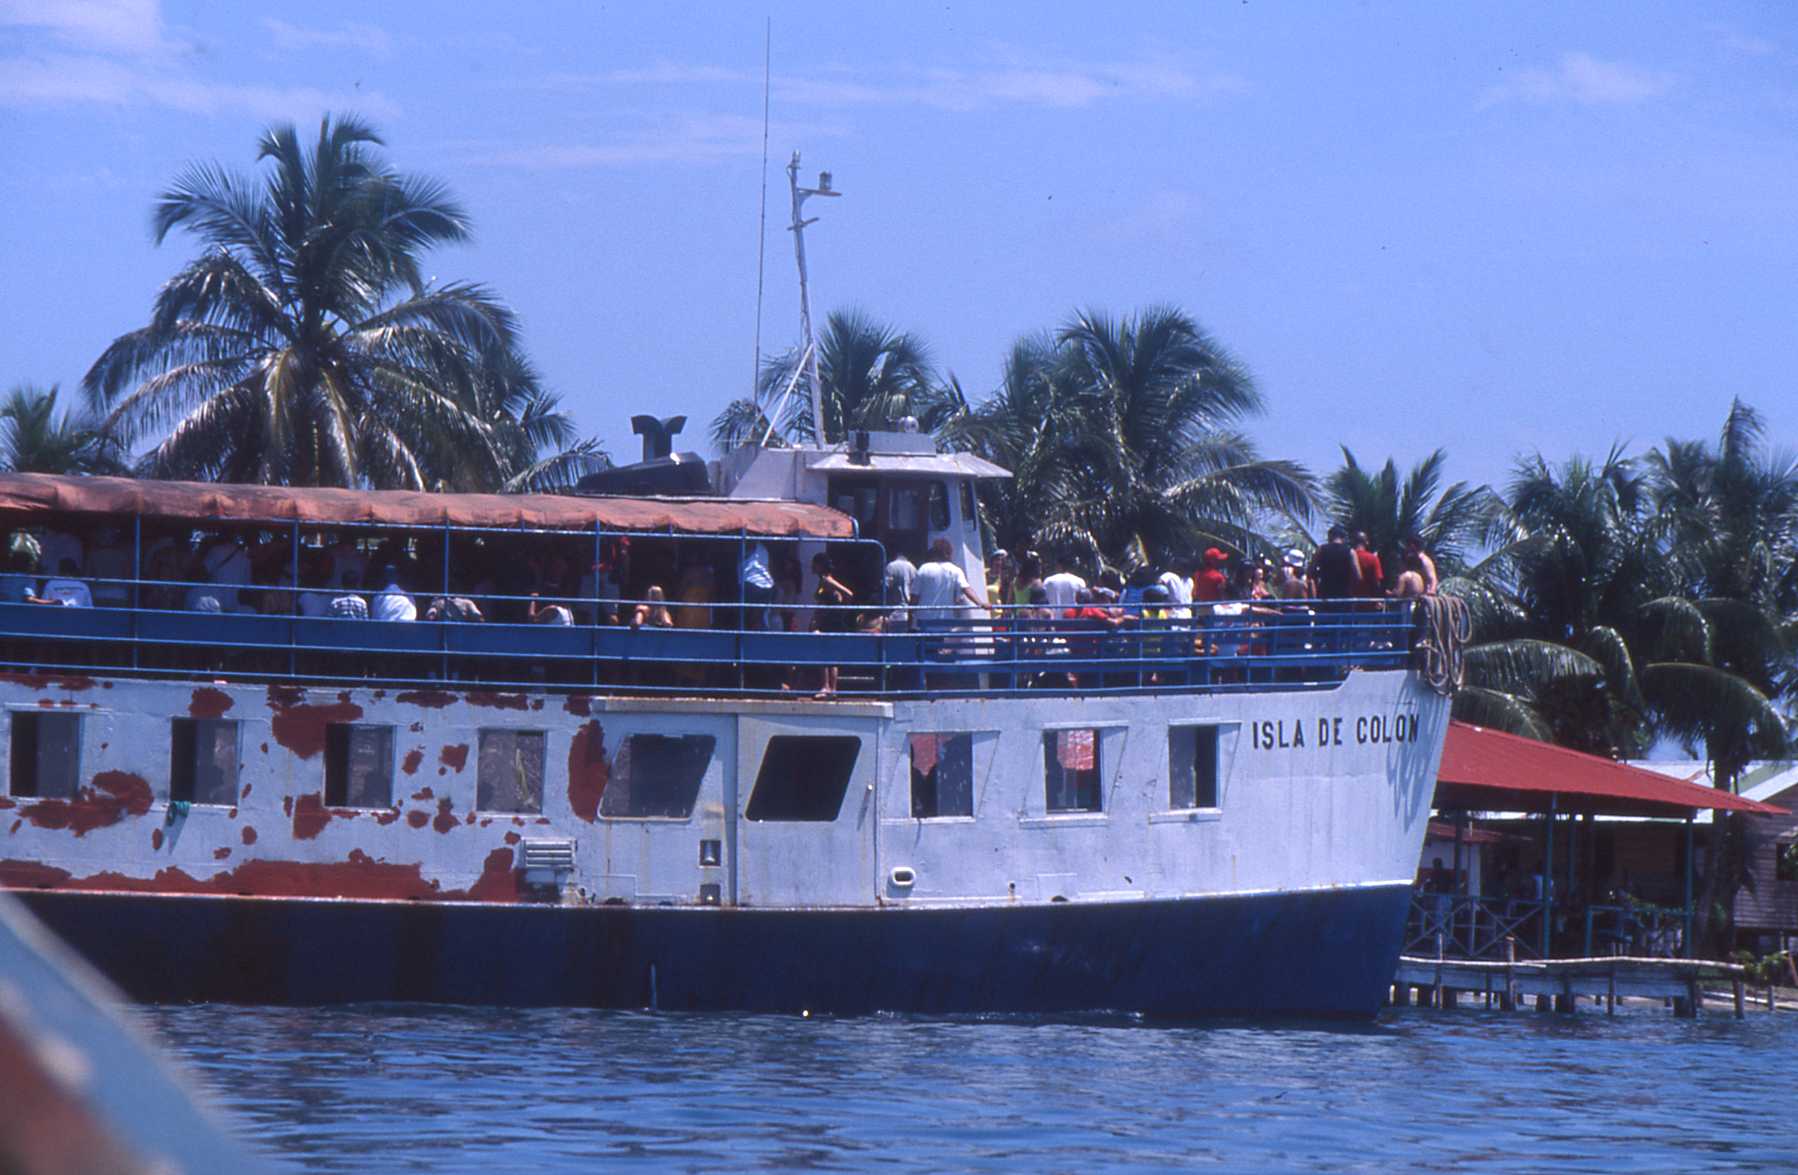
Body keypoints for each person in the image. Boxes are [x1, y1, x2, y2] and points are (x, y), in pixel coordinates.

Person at [810, 552, 856, 698]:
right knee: (831, 655)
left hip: (829, 622)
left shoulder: (826, 580)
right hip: (828, 620)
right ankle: (832, 688)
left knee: (824, 654)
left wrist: (840, 611)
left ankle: (826, 687)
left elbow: (848, 594)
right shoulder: (823, 582)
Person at [913, 538, 984, 625]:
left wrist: (910, 620)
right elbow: (967, 589)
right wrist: (980, 603)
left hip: (924, 620)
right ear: (948, 553)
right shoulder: (955, 570)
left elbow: (914, 596)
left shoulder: (923, 569)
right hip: (945, 621)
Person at [1307, 525, 1362, 600]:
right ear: (1343, 538)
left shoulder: (1321, 550)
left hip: (1324, 595)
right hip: (1344, 596)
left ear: (1330, 536)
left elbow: (1310, 572)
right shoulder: (1350, 552)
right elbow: (1358, 576)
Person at [740, 541, 776, 630]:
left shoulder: (751, 546)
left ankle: (754, 632)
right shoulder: (763, 549)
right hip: (765, 584)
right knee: (762, 613)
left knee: (753, 613)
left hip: (752, 582)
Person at [883, 548, 918, 628]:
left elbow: (886, 587)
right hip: (908, 613)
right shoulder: (912, 567)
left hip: (894, 613)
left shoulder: (891, 566)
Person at [1352, 532, 1384, 597]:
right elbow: (1377, 583)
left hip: (1351, 601)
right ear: (1366, 542)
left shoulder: (1348, 557)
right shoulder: (1373, 558)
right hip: (1368, 600)